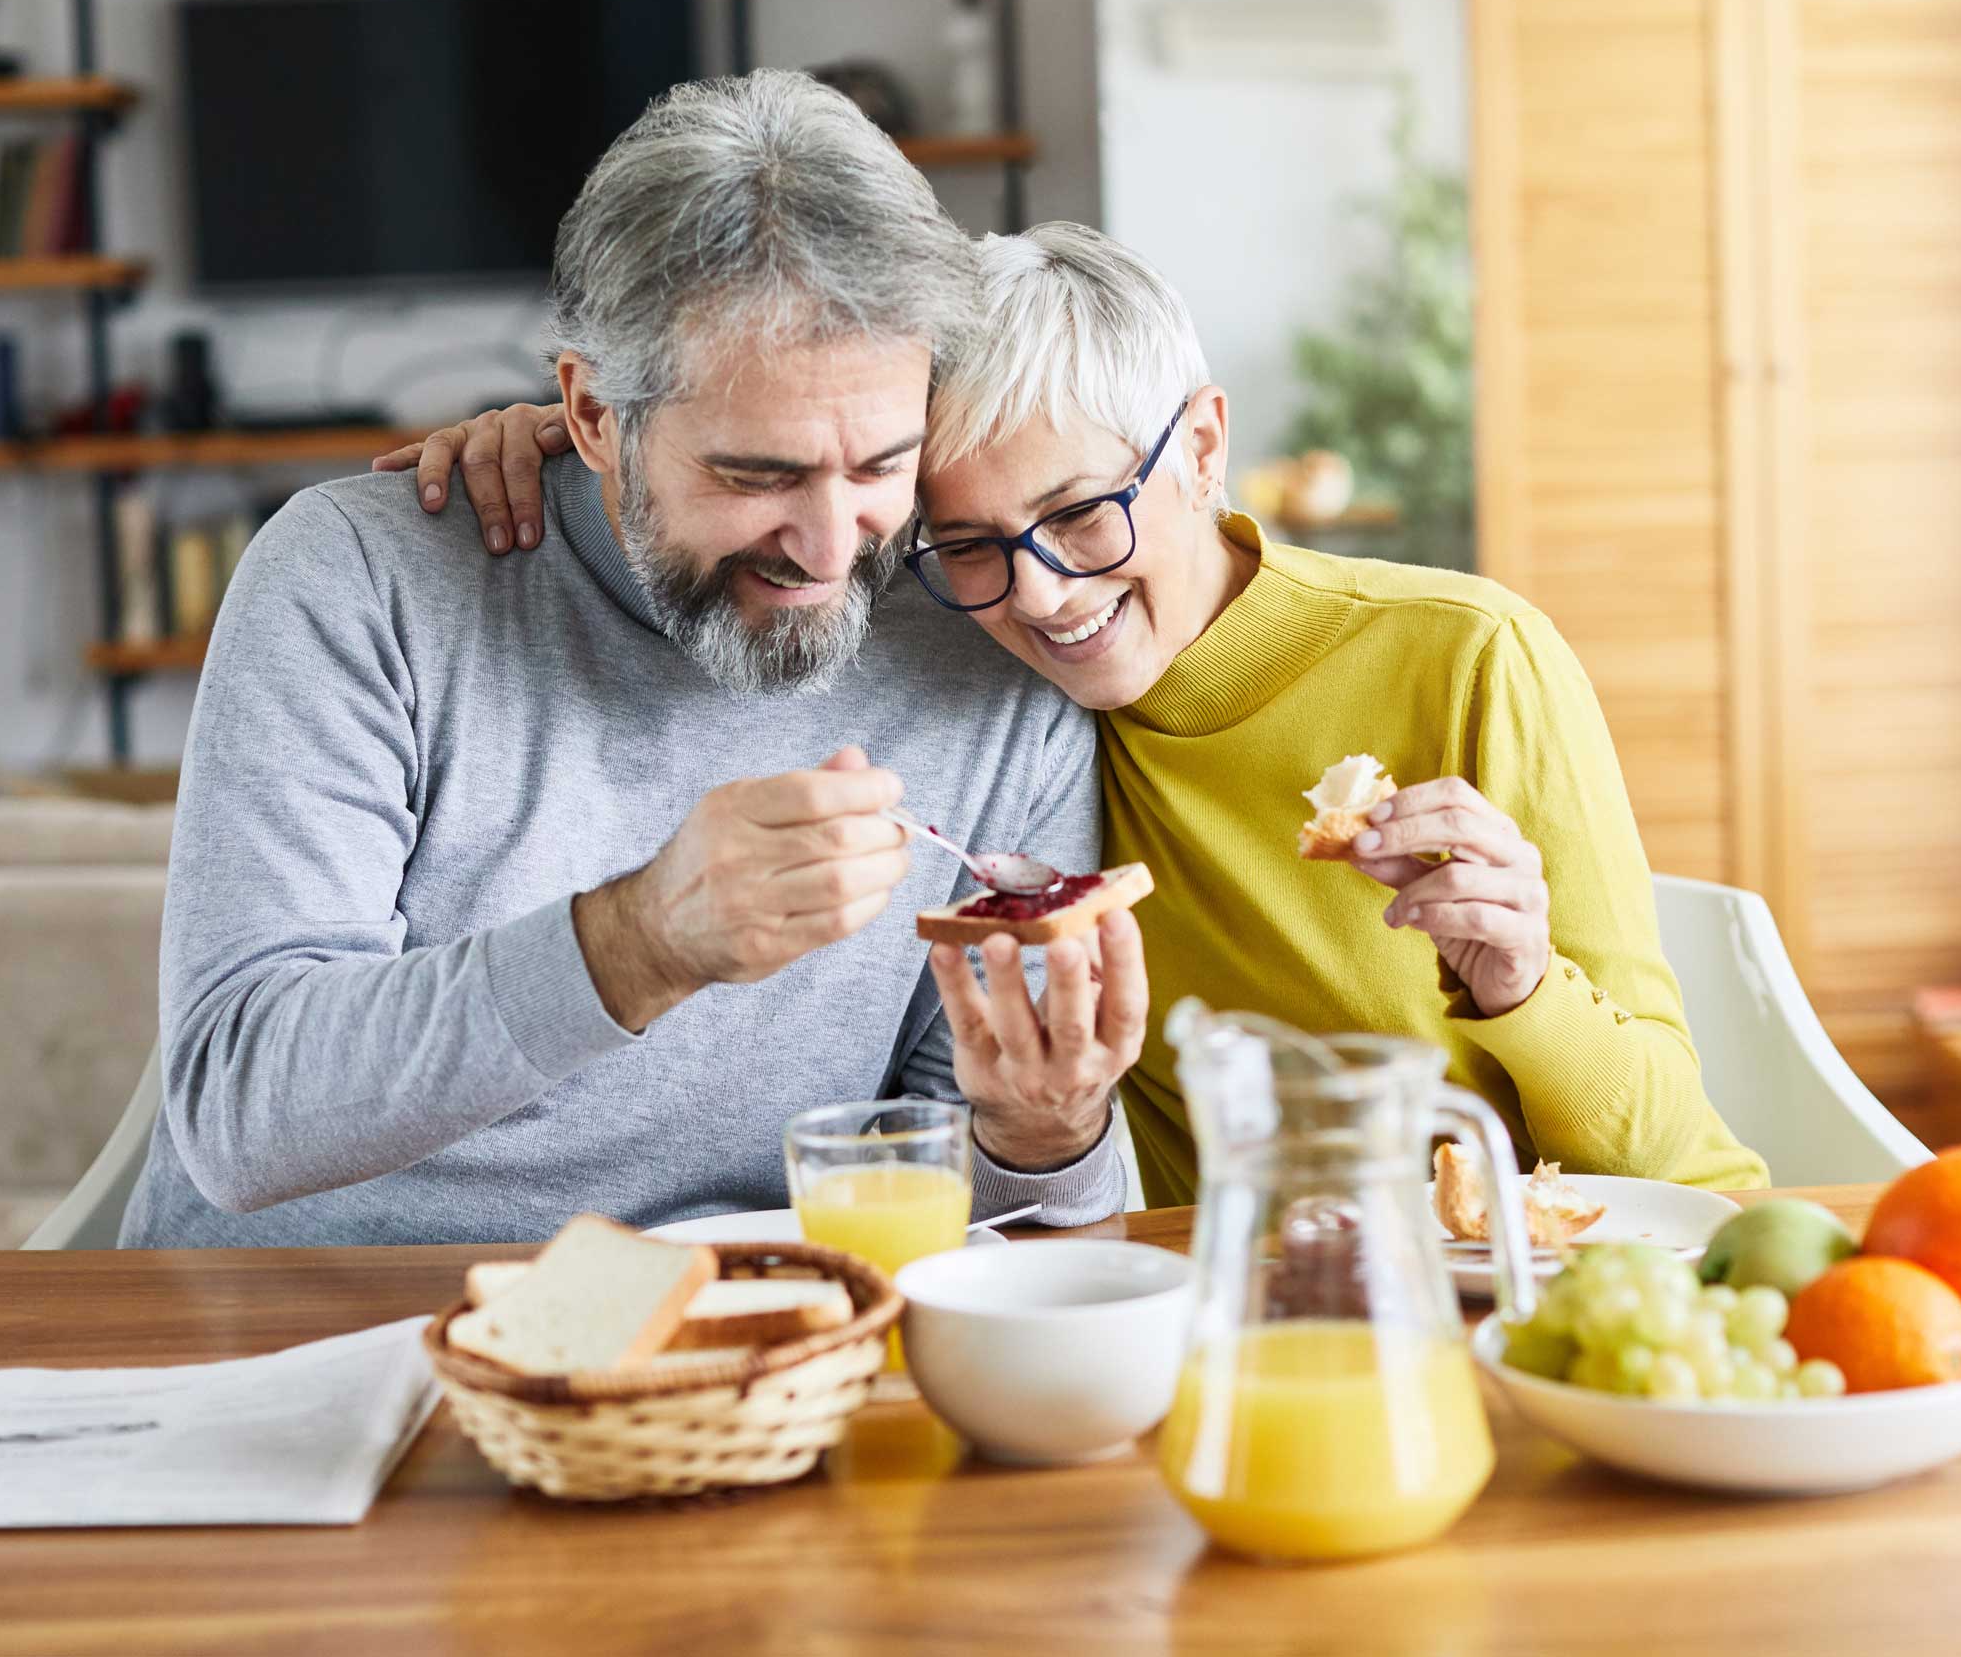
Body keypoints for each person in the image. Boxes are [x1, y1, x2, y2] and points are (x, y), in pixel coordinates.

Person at [389, 222, 1765, 1208]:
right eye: (972, 541)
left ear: (1207, 444)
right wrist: (573, 448)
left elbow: (1684, 1157)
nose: (1042, 598)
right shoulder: (982, 680)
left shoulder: (1470, 658)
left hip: (1507, 1293)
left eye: (1082, 515)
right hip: (1184, 1318)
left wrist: (1524, 988)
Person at [120, 77, 1141, 1248]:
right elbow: (240, 1108)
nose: (825, 549)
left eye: (879, 468)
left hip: (748, 1352)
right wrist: (641, 939)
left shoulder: (990, 642)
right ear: (594, 412)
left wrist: (1042, 1137)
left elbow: (962, 1195)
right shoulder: (356, 580)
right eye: (756, 475)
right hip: (304, 1334)